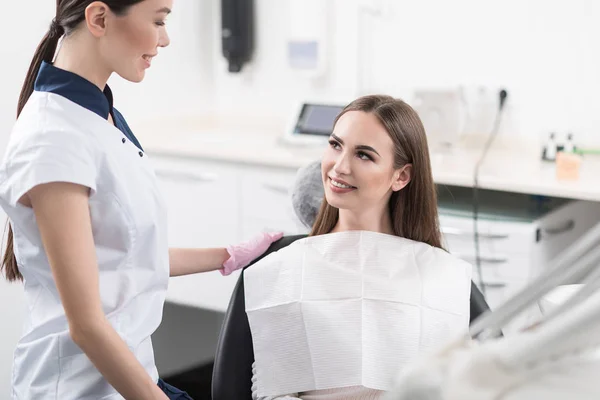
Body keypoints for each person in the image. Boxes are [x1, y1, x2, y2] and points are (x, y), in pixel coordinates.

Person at [0, 1, 281, 399]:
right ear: (99, 18)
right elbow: (87, 327)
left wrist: (228, 255)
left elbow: (123, 255)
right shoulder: (53, 139)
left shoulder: (100, 113)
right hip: (81, 389)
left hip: (130, 376)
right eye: (158, 21)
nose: (164, 39)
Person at [248, 94, 472, 399]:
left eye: (363, 155)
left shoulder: (439, 278)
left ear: (401, 176)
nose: (339, 167)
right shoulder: (284, 270)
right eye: (335, 145)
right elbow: (267, 386)